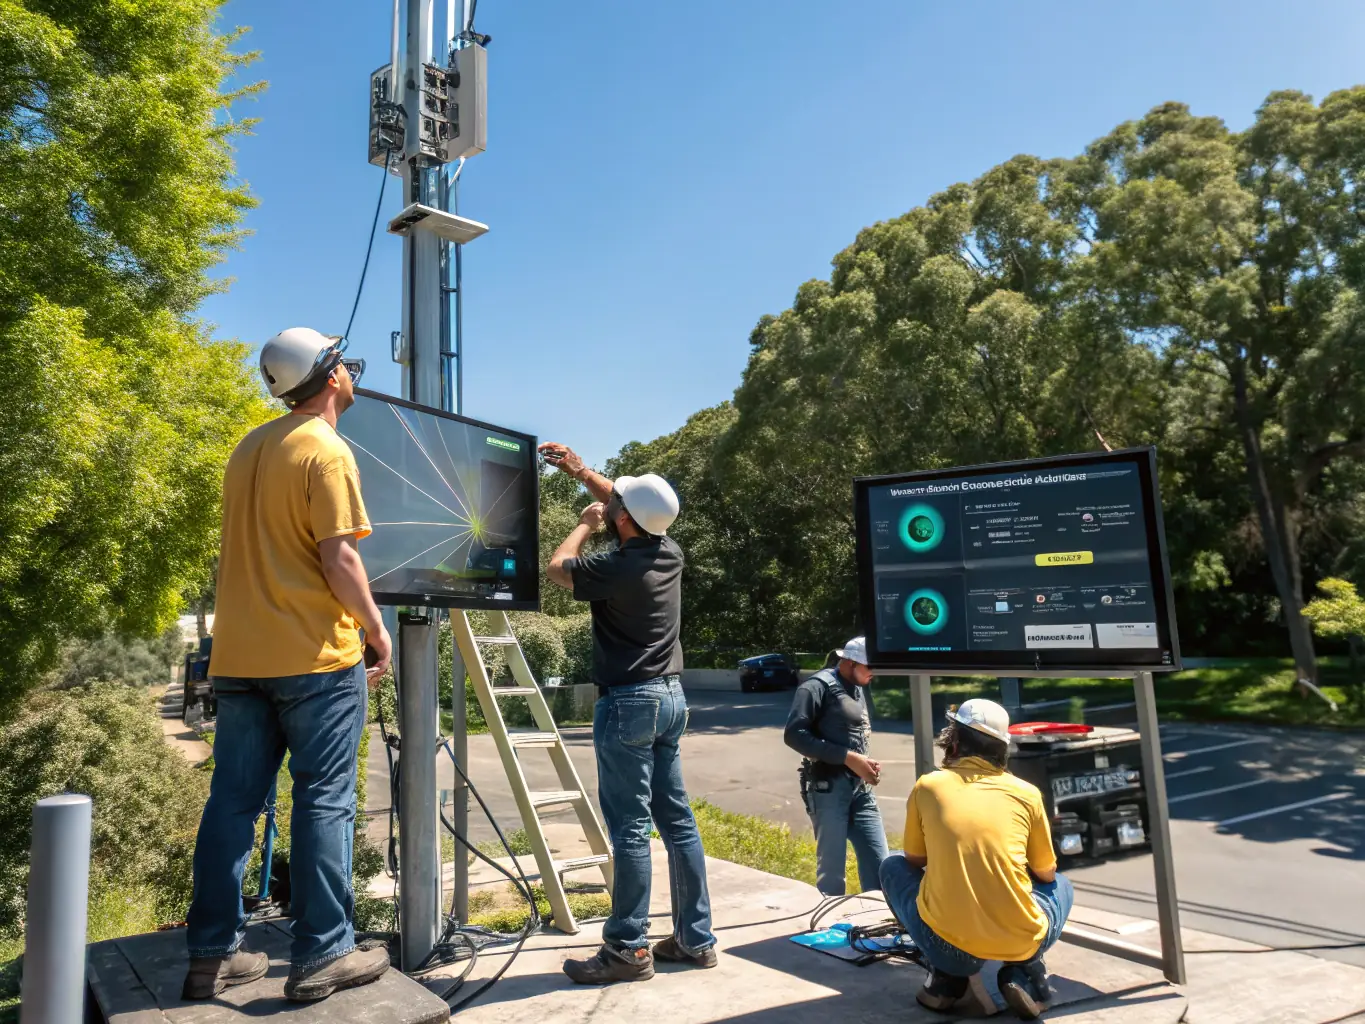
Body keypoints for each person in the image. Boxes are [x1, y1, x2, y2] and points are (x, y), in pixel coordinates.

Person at [182, 328, 394, 1003]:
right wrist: (376, 630)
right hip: (313, 659)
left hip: (239, 656)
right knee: (324, 800)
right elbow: (339, 558)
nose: (352, 371)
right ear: (330, 377)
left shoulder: (249, 446)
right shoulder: (326, 449)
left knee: (232, 802)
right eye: (345, 362)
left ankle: (212, 955)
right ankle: (323, 954)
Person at [538, 441, 718, 985]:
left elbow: (556, 568)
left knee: (631, 829)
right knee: (677, 823)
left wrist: (585, 523)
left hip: (630, 703)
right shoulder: (670, 551)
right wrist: (578, 470)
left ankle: (627, 948)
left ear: (620, 519)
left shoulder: (614, 566)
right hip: (671, 699)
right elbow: (631, 506)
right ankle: (695, 939)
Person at [879, 699, 1073, 1021]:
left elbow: (914, 859)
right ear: (1002, 749)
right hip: (1020, 940)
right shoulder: (1027, 793)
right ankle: (1024, 971)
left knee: (892, 865)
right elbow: (1046, 872)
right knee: (1062, 885)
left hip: (949, 948)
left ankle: (945, 980)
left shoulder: (928, 786)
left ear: (954, 742)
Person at [783, 636, 888, 897]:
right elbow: (794, 735)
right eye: (869, 666)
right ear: (850, 663)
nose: (874, 672)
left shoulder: (858, 685)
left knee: (880, 864)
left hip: (861, 791)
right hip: (827, 789)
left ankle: (878, 915)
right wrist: (848, 758)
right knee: (832, 874)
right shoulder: (815, 687)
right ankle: (830, 918)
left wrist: (863, 762)